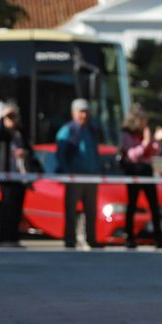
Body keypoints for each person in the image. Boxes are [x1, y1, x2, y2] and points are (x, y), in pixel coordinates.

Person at [55, 98, 104, 250]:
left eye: (86, 112)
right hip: (75, 177)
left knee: (91, 210)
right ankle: (70, 239)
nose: (84, 115)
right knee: (71, 210)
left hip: (91, 176)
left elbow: (95, 152)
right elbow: (61, 153)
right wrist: (67, 172)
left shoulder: (92, 129)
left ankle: (91, 238)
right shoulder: (68, 130)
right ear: (74, 113)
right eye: (81, 112)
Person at [118, 109, 162, 249]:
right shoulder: (126, 134)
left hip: (146, 171)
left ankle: (158, 238)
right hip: (133, 172)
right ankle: (129, 236)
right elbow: (132, 156)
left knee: (154, 205)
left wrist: (156, 140)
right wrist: (146, 142)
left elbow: (155, 152)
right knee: (132, 205)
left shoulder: (145, 133)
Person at [0, 101, 29, 247]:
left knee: (17, 207)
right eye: (9, 117)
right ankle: (3, 237)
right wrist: (1, 119)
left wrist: (25, 153)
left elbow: (29, 148)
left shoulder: (21, 132)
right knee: (4, 207)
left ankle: (14, 237)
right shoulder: (1, 132)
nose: (12, 119)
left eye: (14, 116)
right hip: (4, 175)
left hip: (20, 175)